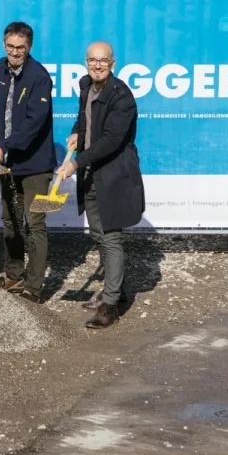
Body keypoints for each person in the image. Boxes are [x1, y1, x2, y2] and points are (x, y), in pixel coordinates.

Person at [55, 41, 145, 329]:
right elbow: (85, 119)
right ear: (86, 62)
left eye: (102, 61)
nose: (97, 65)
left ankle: (110, 305)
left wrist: (75, 162)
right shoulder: (86, 86)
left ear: (112, 64)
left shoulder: (122, 97)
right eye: (92, 60)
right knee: (97, 233)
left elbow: (111, 140)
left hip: (114, 174)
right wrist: (75, 132)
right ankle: (113, 289)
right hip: (91, 174)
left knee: (111, 237)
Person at [0, 21, 57, 304]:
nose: (15, 52)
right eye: (10, 47)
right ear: (4, 45)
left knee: (35, 224)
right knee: (10, 221)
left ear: (30, 47)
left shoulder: (40, 77)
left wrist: (5, 145)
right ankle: (14, 276)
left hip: (36, 165)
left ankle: (34, 289)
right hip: (7, 162)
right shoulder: (0, 68)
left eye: (20, 48)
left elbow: (33, 124)